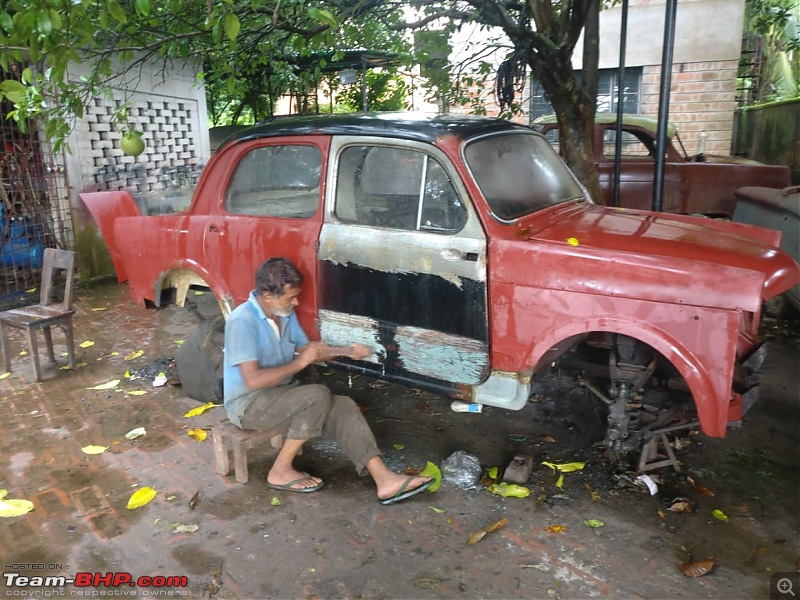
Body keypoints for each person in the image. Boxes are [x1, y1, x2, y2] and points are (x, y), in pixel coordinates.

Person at [223, 257, 433, 504]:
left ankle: (384, 479)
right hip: (248, 405)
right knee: (317, 395)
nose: (296, 302)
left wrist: (347, 350)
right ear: (267, 296)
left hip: (281, 395)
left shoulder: (284, 315)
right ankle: (279, 470)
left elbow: (307, 350)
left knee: (343, 404)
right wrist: (300, 364)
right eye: (290, 298)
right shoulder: (242, 321)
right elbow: (253, 380)